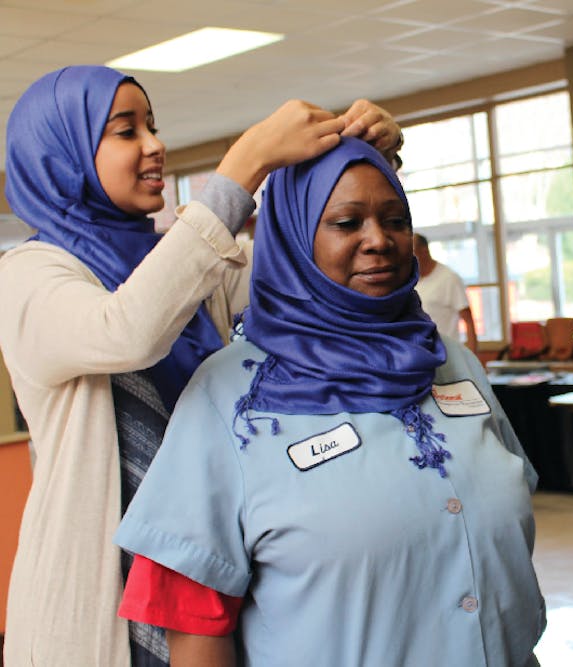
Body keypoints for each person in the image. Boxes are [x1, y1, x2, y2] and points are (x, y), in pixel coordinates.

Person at [0, 65, 401, 666]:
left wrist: (367, 166)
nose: (154, 145)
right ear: (64, 155)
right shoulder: (30, 273)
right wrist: (243, 166)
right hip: (94, 595)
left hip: (206, 568)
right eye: (125, 131)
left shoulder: (186, 258)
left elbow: (308, 270)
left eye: (153, 126)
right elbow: (128, 331)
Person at [113, 137, 546, 666]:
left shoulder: (453, 363)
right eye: (346, 223)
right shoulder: (230, 396)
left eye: (395, 220)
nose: (379, 241)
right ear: (295, 240)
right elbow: (194, 617)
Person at [413, 232, 479, 351]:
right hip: (420, 355)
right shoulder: (410, 281)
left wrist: (472, 360)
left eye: (411, 254)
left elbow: (468, 320)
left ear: (424, 251)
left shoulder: (449, 278)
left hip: (447, 356)